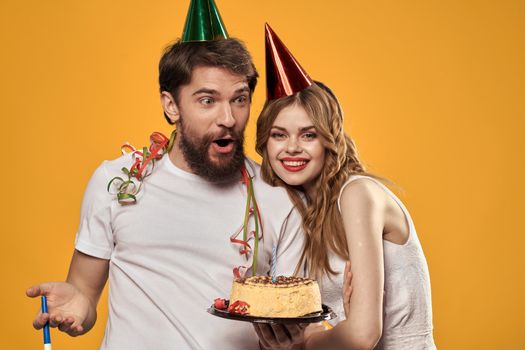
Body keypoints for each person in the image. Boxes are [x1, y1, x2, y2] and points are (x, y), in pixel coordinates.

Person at [26, 3, 304, 350]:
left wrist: (290, 342)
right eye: (207, 100)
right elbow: (84, 294)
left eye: (239, 99)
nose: (229, 118)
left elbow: (289, 315)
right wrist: (77, 306)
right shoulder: (119, 183)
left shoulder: (279, 196)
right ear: (171, 105)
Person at [254, 24, 436, 350]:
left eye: (308, 135)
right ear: (265, 143)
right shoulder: (299, 212)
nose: (292, 147)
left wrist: (308, 340)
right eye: (279, 135)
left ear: (329, 140)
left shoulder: (357, 194)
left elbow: (363, 335)